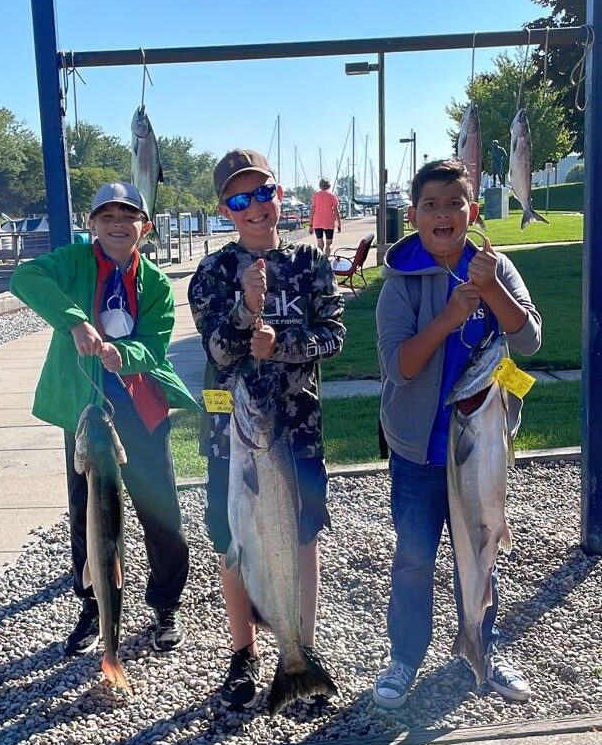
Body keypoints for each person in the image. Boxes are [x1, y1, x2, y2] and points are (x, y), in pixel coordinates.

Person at [374, 158, 542, 708]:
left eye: (454, 203)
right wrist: (448, 317)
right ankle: (405, 656)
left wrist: (491, 290)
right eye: (430, 205)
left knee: (484, 545)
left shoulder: (495, 266)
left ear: (471, 211)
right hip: (418, 452)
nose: (443, 214)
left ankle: (480, 644)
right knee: (415, 555)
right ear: (413, 215)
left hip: (484, 449)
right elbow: (401, 365)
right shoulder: (398, 283)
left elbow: (530, 340)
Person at [10, 182, 198, 657]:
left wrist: (123, 354)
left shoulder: (154, 281)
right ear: (92, 224)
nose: (118, 224)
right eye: (107, 216)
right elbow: (26, 280)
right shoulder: (72, 261)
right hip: (84, 412)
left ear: (145, 226)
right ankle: (93, 605)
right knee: (86, 515)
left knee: (161, 514)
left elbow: (154, 344)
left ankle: (165, 605)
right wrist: (75, 319)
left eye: (128, 216)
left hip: (140, 409)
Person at [188, 148, 346, 710]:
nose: (254, 207)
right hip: (231, 431)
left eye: (262, 193)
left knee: (300, 536)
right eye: (239, 199)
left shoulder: (310, 262)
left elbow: (333, 335)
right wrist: (243, 308)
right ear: (225, 209)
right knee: (235, 540)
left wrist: (286, 345)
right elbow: (217, 351)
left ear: (279, 195)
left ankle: (300, 649)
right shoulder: (211, 273)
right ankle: (243, 654)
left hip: (297, 427)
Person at [309, 178, 342, 256]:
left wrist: (311, 225)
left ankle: (320, 260)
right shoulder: (332, 195)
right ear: (329, 185)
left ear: (320, 185)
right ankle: (327, 258)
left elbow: (312, 211)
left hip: (317, 222)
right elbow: (337, 212)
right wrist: (339, 225)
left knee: (320, 243)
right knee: (329, 243)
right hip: (329, 222)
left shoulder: (316, 195)